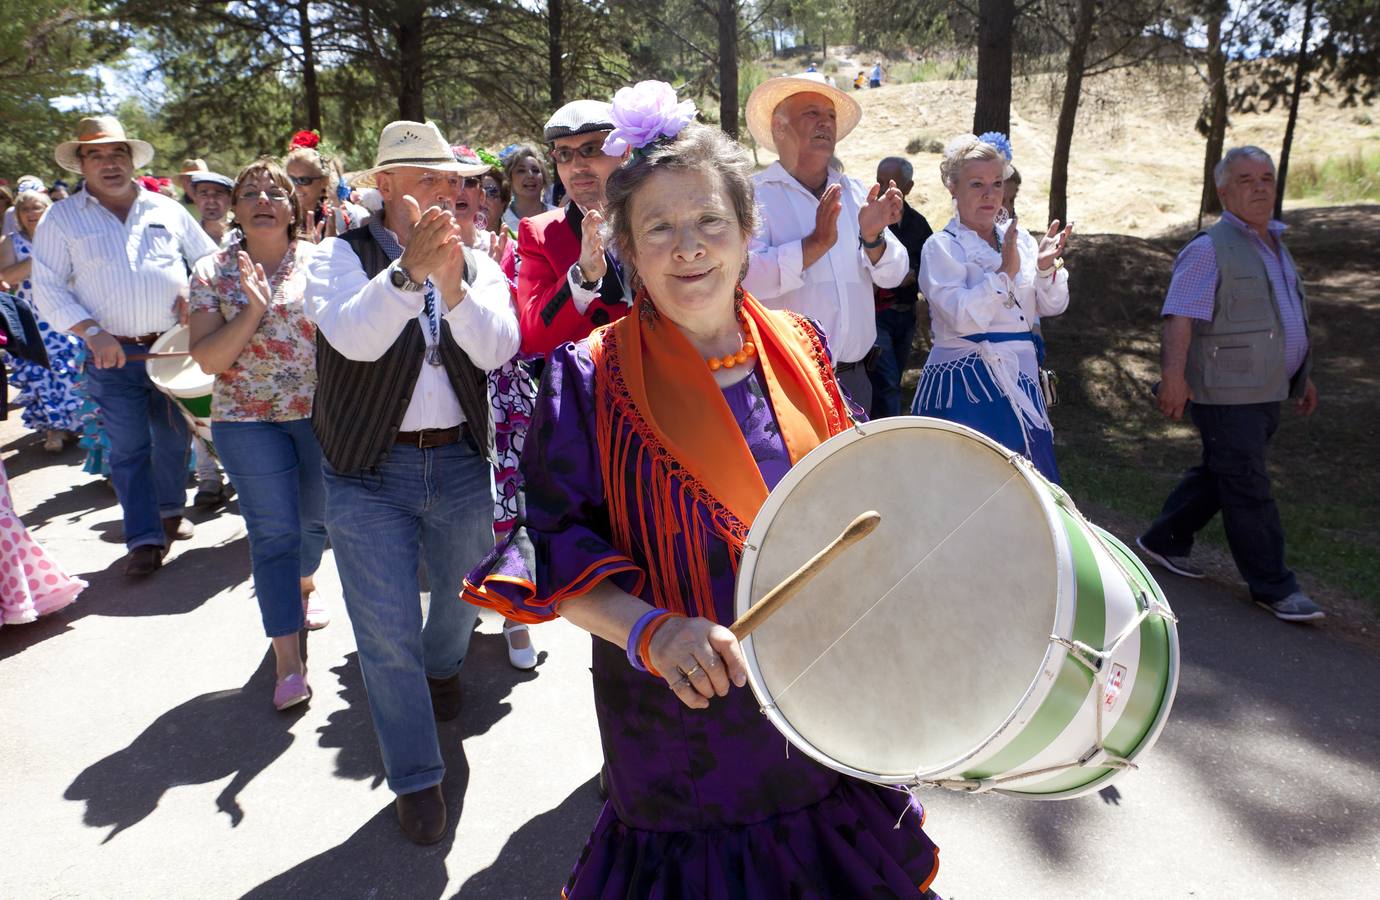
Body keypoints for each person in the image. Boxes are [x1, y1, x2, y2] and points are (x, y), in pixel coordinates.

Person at [463, 110, 940, 899]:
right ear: (625, 249)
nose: (688, 247)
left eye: (710, 221)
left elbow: (858, 504)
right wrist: (647, 628)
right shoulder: (584, 380)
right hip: (680, 735)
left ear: (748, 232)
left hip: (819, 707)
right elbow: (552, 546)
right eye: (659, 228)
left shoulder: (802, 346)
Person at [303, 120, 519, 844]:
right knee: (383, 632)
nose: (449, 192)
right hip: (367, 469)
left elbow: (498, 350)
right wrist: (406, 277)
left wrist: (453, 285)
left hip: (458, 461)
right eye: (429, 179)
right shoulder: (337, 254)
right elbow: (353, 339)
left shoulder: (476, 258)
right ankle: (417, 779)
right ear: (386, 184)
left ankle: (445, 664)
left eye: (453, 179)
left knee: (463, 596)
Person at [1137, 146, 1322, 623]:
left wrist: (1302, 375)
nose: (1259, 186)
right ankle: (1275, 586)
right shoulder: (1209, 248)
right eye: (1245, 179)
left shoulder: (1275, 244)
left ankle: (1163, 540)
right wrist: (1173, 377)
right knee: (1247, 484)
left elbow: (1284, 318)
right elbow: (1180, 316)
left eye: (1266, 178)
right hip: (1226, 392)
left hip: (1266, 390)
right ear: (1223, 190)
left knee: (1225, 470)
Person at [32, 116, 218, 576]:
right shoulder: (61, 218)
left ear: (132, 160)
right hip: (111, 355)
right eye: (97, 154)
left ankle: (171, 511)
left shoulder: (166, 209)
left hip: (174, 352)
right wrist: (92, 332)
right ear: (81, 164)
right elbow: (47, 287)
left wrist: (197, 293)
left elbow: (210, 260)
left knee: (174, 440)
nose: (109, 164)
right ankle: (143, 539)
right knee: (129, 448)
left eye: (118, 154)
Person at [909, 134, 1072, 482]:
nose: (989, 193)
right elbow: (961, 317)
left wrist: (1044, 268)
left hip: (1021, 380)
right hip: (967, 386)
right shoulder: (941, 248)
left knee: (1032, 490)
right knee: (971, 490)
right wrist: (1004, 274)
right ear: (952, 188)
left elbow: (1052, 305)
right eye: (977, 184)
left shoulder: (1021, 240)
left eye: (996, 183)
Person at [743, 72, 908, 413]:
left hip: (856, 380)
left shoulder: (858, 193)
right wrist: (814, 245)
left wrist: (873, 237)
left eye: (830, 116)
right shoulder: (752, 197)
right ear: (779, 126)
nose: (826, 123)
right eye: (812, 113)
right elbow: (744, 278)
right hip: (788, 385)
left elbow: (894, 275)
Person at [451, 144, 538, 671]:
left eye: (478, 186)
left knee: (509, 511)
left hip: (499, 398)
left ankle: (516, 617)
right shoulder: (406, 250)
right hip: (438, 407)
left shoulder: (503, 248)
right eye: (455, 185)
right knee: (456, 520)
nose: (467, 195)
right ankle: (452, 616)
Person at [514, 99, 631, 359]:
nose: (577, 166)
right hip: (591, 391)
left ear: (624, 150)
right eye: (564, 154)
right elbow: (533, 337)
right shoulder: (540, 233)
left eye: (590, 149)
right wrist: (582, 277)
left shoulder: (656, 218)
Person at [1, 189, 85, 451]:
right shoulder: (10, 242)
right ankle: (53, 430)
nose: (31, 213)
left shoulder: (62, 237)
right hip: (33, 317)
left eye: (37, 207)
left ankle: (77, 424)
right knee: (42, 369)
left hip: (65, 310)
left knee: (71, 369)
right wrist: (37, 258)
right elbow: (6, 277)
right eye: (25, 209)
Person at [868, 157, 933, 418]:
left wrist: (913, 274)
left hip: (906, 315)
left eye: (891, 183)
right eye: (880, 181)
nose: (884, 188)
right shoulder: (868, 219)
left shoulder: (919, 224)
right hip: (877, 316)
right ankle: (889, 433)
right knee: (888, 380)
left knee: (894, 377)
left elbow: (931, 264)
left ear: (908, 187)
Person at [284, 130, 370, 236]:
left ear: (323, 182)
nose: (295, 186)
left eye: (304, 180)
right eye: (289, 179)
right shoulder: (276, 216)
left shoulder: (341, 221)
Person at [502, 143, 555, 233]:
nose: (530, 175)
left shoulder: (559, 216)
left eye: (535, 170)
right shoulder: (501, 219)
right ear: (509, 179)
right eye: (521, 171)